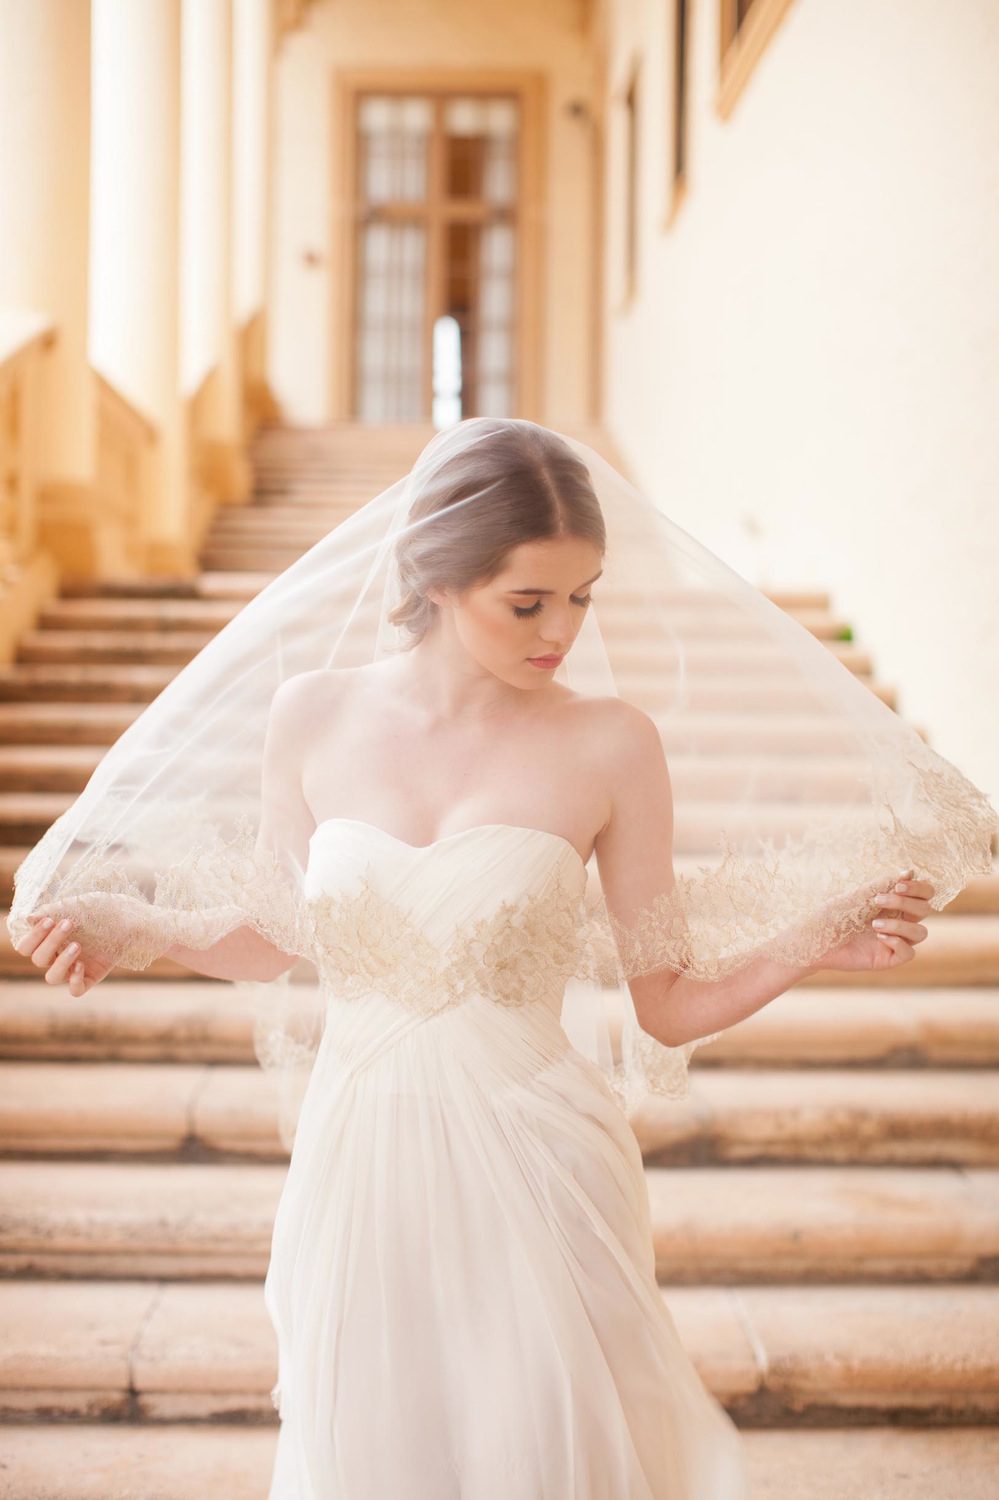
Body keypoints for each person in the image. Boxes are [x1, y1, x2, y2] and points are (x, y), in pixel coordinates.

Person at [9, 418, 992, 1497]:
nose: (561, 630)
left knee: (541, 1451)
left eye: (583, 596)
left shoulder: (612, 744)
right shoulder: (312, 717)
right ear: (435, 579)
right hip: (361, 1161)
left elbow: (665, 1002)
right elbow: (282, 938)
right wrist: (139, 929)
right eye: (528, 602)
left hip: (542, 1160)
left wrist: (814, 942)